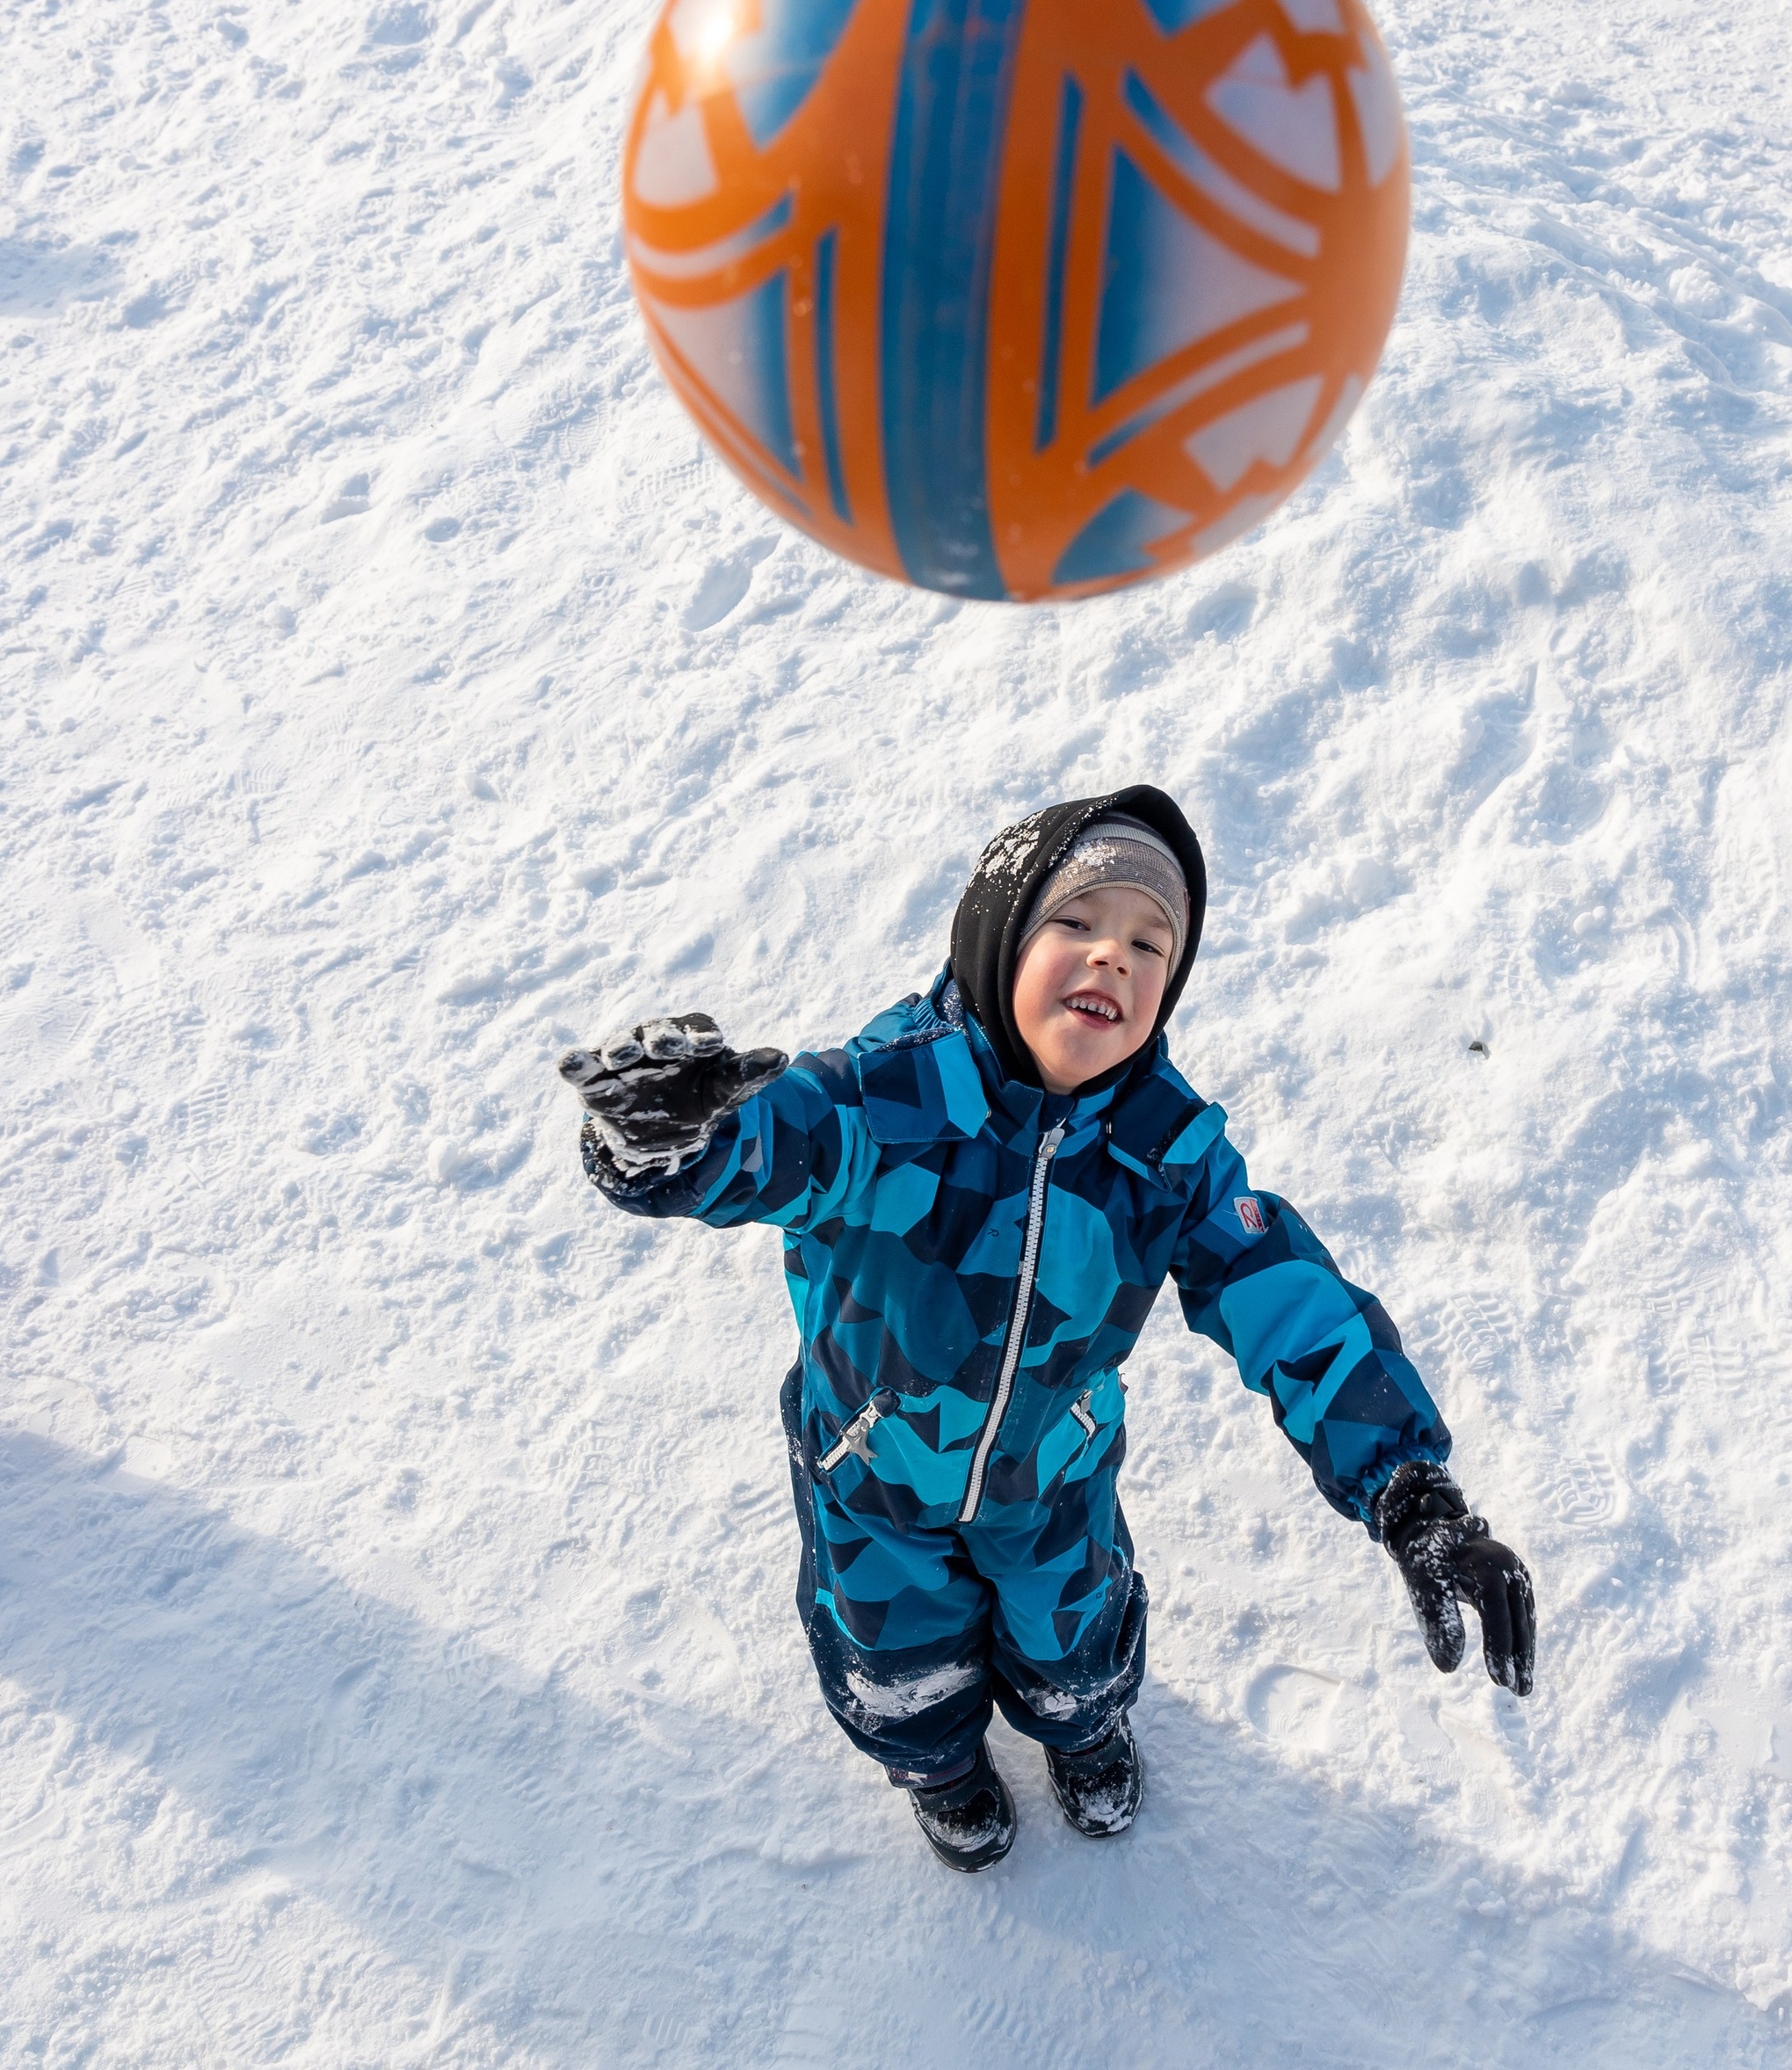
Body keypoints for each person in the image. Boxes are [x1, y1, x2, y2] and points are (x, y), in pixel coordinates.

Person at [558, 788, 1534, 1873]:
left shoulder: (1166, 1153)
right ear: (999, 937)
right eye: (1076, 924)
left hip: (1052, 1478)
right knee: (895, 1659)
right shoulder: (880, 1104)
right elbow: (754, 1149)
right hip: (872, 1475)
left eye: (1148, 942)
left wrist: (1407, 1488)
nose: (1111, 957)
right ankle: (938, 1768)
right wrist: (669, 1138)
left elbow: (1284, 1295)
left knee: (1073, 1641)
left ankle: (1081, 1731)